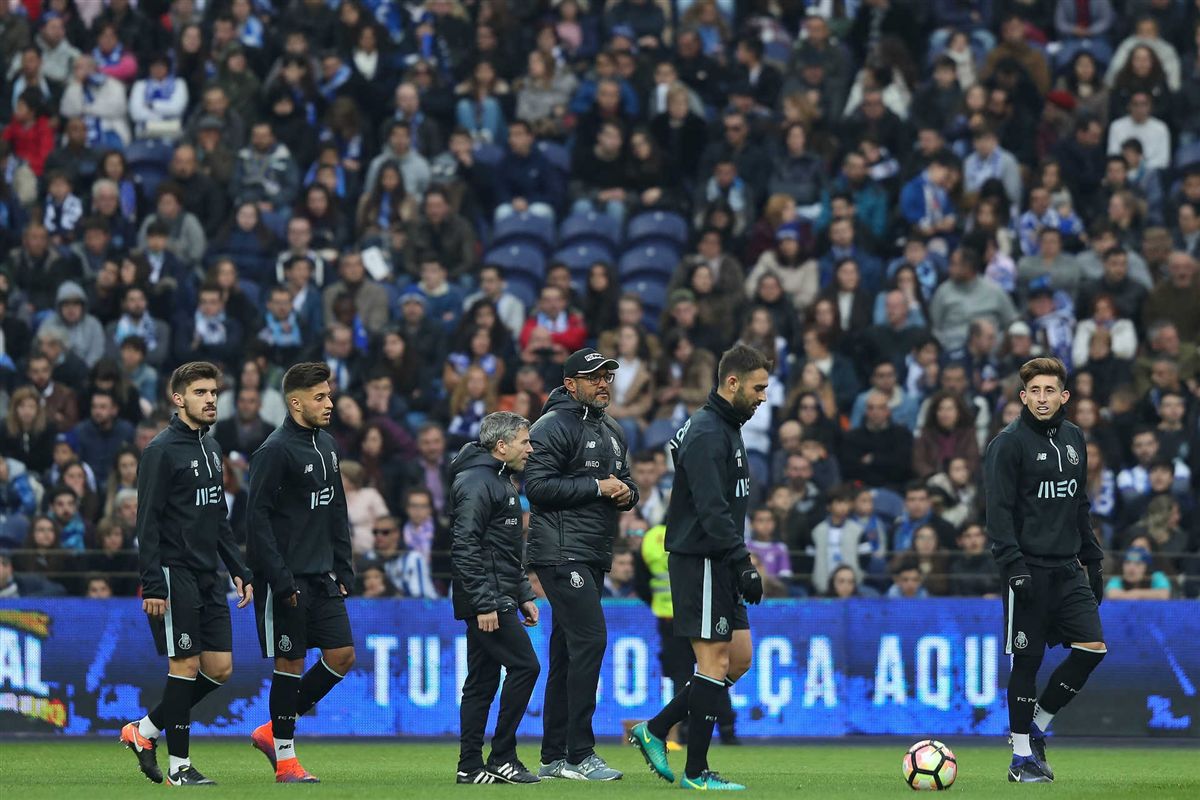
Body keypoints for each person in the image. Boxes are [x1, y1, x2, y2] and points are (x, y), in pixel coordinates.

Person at [630, 344, 770, 791]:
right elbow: (712, 510)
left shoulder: (724, 425)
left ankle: (655, 729)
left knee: (738, 660)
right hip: (704, 559)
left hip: (719, 559)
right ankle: (696, 772)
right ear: (732, 383)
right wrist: (742, 561)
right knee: (713, 661)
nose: (764, 397)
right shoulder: (709, 432)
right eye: (758, 388)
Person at [121, 362, 253, 786]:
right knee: (185, 665)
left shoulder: (212, 448)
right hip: (172, 572)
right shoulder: (160, 450)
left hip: (208, 574)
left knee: (220, 668)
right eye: (200, 392)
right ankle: (180, 768)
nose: (210, 399)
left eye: (213, 392)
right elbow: (147, 522)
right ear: (178, 399)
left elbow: (218, 518)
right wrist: (153, 584)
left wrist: (237, 568)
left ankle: (144, 730)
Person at [984, 357, 1106, 783]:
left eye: (1049, 390)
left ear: (1063, 396)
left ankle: (1036, 725)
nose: (1041, 398)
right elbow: (998, 512)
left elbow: (1079, 503)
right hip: (1027, 568)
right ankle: (1020, 759)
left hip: (1068, 567)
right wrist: (1013, 565)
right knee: (1027, 660)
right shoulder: (1007, 444)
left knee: (1093, 648)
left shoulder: (1074, 438)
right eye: (1034, 391)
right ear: (1023, 397)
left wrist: (1093, 559)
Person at [525, 347, 639, 781]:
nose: (603, 383)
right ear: (570, 384)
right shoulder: (551, 426)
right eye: (594, 377)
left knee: (568, 652)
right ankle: (580, 754)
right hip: (560, 551)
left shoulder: (613, 429)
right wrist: (597, 486)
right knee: (590, 641)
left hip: (592, 552)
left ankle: (554, 756)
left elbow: (625, 483)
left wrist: (627, 494)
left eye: (607, 376)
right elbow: (536, 486)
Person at [246, 363, 356, 784]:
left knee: (342, 656)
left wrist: (344, 565)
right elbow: (256, 520)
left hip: (322, 574)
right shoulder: (274, 451)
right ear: (296, 403)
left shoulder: (327, 444)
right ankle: (286, 761)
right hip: (286, 578)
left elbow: (336, 508)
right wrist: (279, 578)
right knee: (289, 663)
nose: (329, 403)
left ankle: (272, 730)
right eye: (319, 397)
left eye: (329, 395)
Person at [450, 411, 541, 785]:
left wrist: (523, 593)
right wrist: (484, 602)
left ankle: (469, 767)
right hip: (488, 598)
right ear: (501, 446)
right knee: (526, 667)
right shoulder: (477, 481)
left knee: (482, 682)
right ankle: (502, 756)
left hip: (497, 594)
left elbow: (504, 549)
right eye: (524, 442)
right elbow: (465, 545)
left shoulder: (499, 480)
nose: (530, 449)